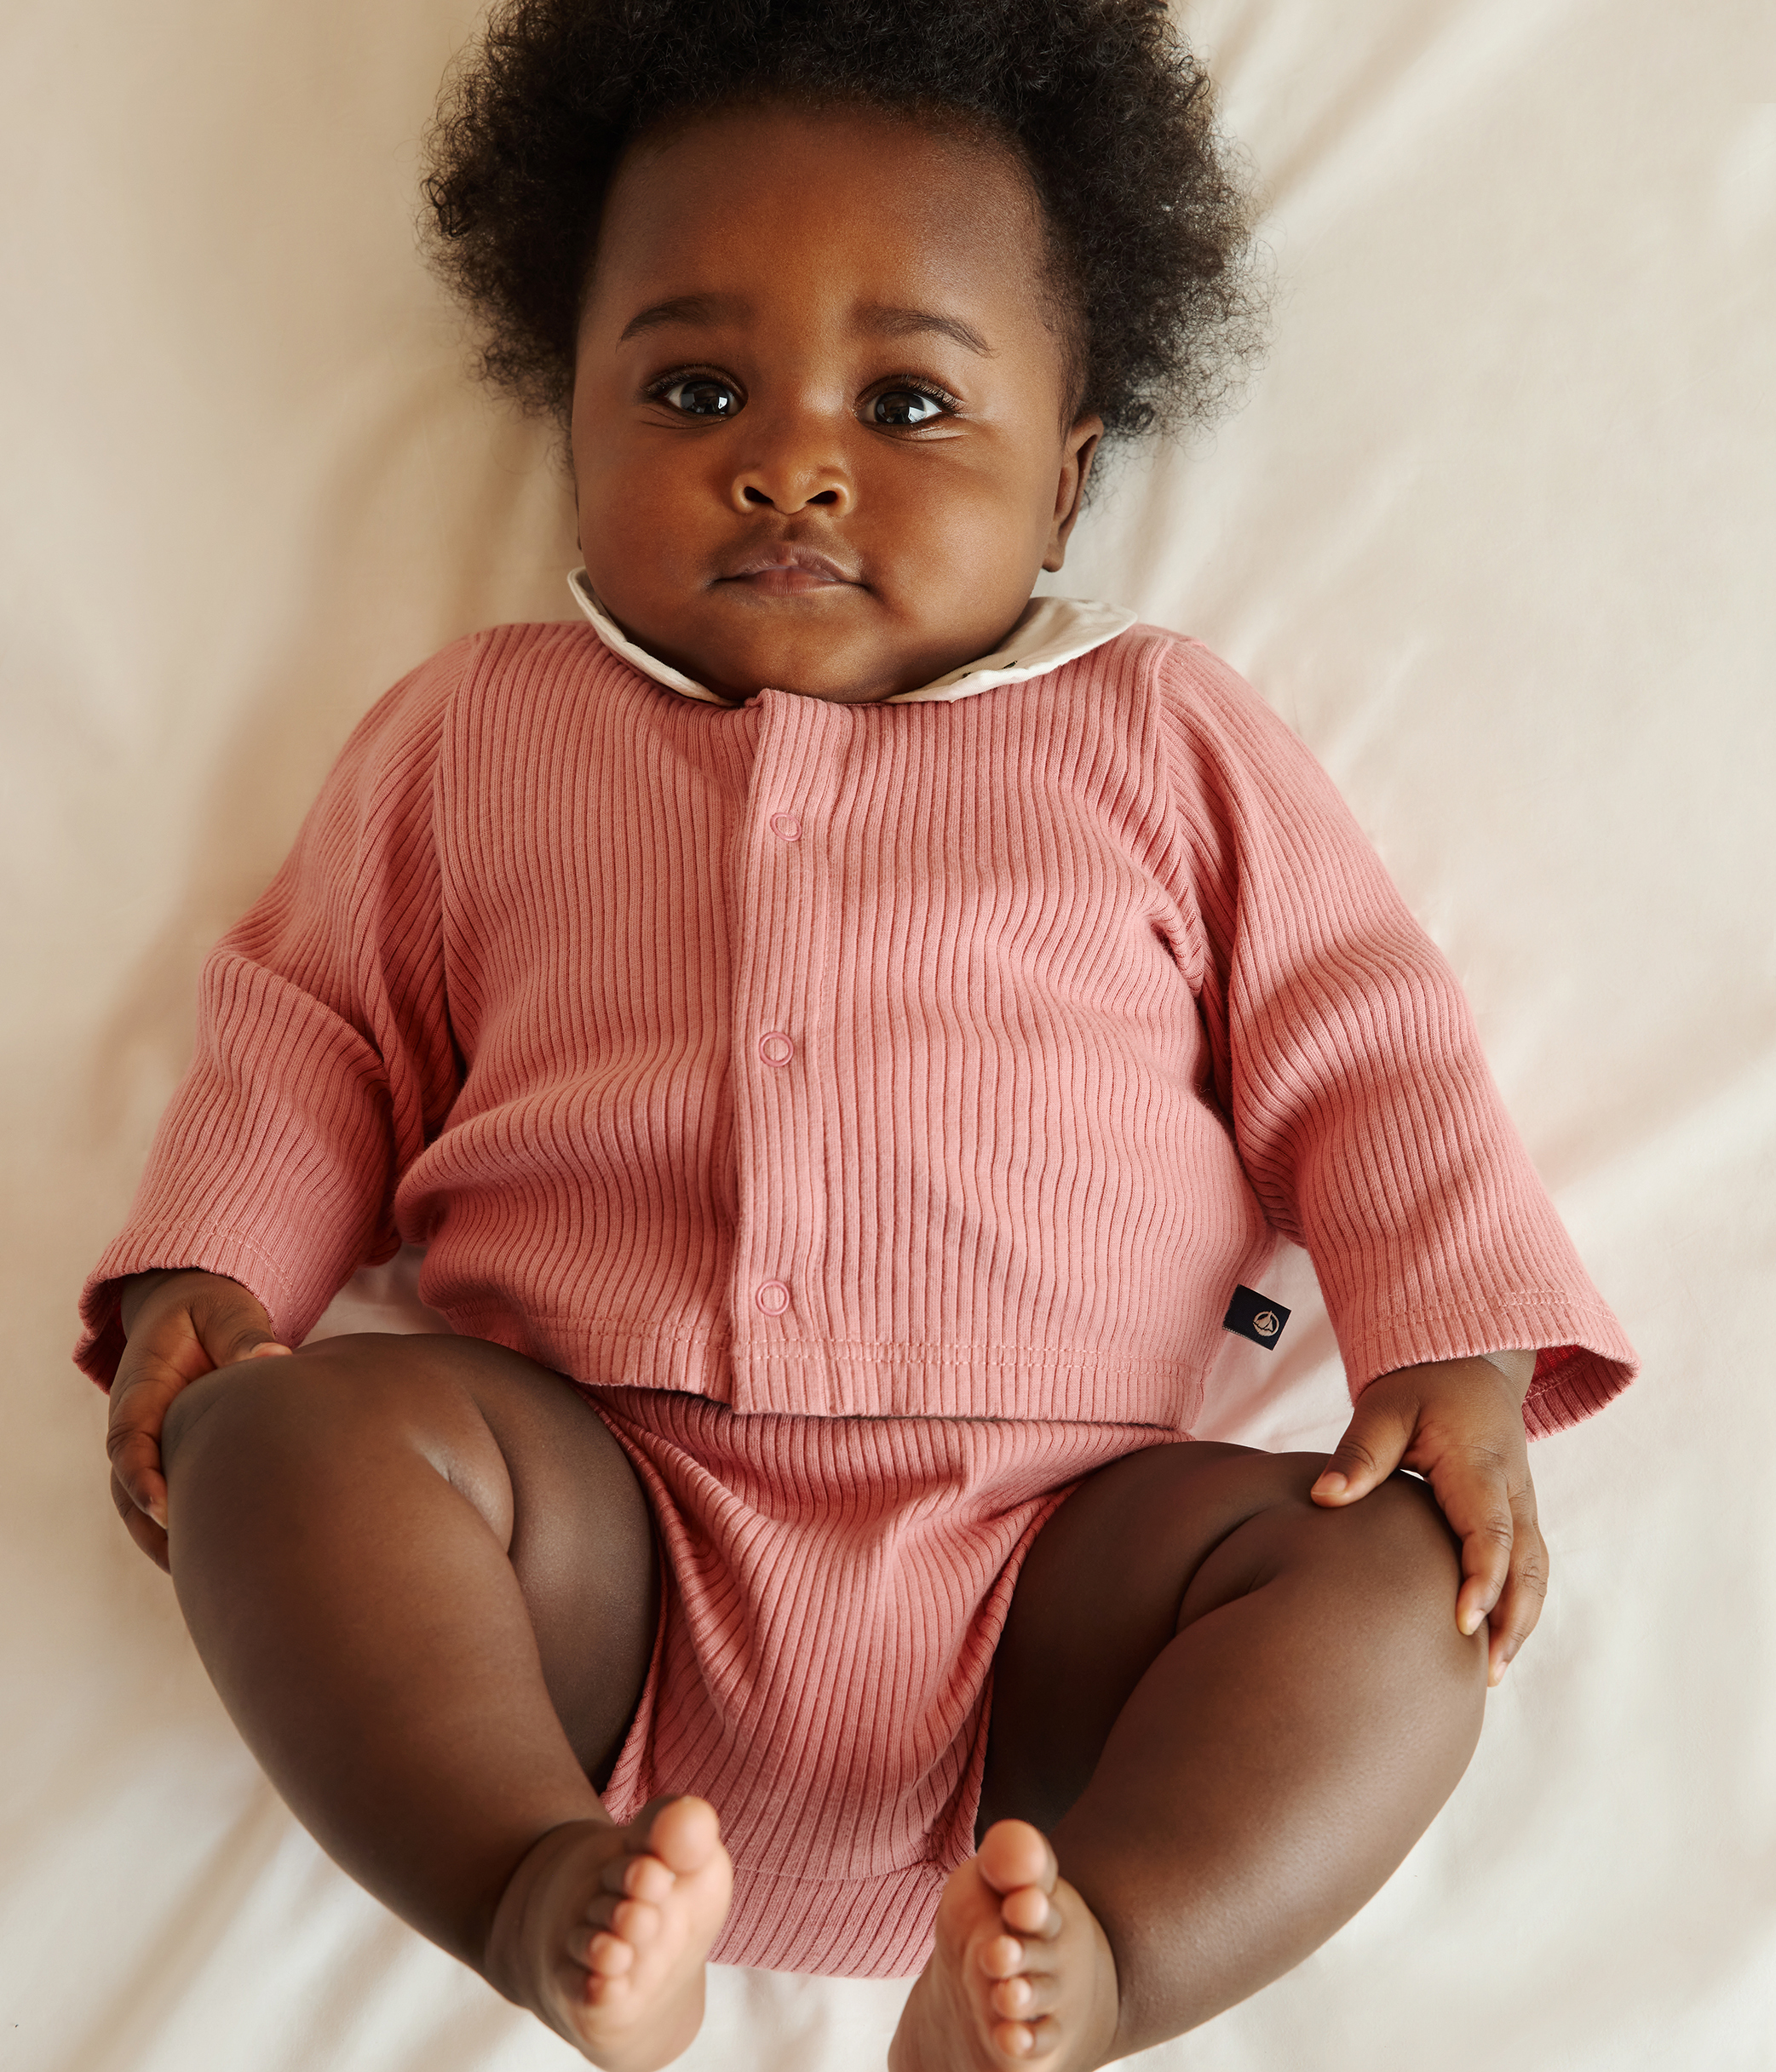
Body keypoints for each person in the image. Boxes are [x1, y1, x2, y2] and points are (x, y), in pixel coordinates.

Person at [78, 2, 1636, 2067]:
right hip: (587, 1546)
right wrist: (211, 1269)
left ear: (1065, 484)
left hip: (1061, 1582)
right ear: (569, 421)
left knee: (1396, 1591)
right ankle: (527, 1881)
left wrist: (1449, 1345)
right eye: (693, 388)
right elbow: (317, 1027)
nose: (790, 459)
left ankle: (1098, 1962)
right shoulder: (479, 733)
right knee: (276, 1439)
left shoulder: (1156, 734)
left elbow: (1359, 1037)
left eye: (905, 402)